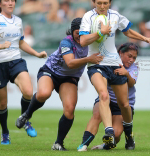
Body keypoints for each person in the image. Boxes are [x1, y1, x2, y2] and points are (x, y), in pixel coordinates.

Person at [78, 0, 150, 150]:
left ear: (110, 3)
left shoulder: (115, 16)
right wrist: (101, 32)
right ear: (93, 2)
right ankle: (108, 130)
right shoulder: (88, 17)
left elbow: (127, 31)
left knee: (124, 105)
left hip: (114, 64)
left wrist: (145, 39)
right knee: (103, 94)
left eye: (105, 3)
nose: (102, 6)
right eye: (99, 3)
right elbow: (83, 41)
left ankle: (129, 136)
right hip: (97, 64)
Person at [15, 18, 104, 151]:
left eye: (83, 33)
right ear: (72, 31)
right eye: (77, 33)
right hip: (51, 71)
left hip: (70, 77)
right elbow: (70, 63)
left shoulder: (92, 43)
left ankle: (58, 143)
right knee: (44, 93)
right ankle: (26, 115)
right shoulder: (66, 41)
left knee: (69, 110)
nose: (80, 36)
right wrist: (89, 59)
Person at [0, 0, 47, 145]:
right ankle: (5, 132)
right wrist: (1, 46)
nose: (10, 3)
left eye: (12, 0)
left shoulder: (18, 20)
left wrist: (36, 54)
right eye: (7, 0)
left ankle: (25, 119)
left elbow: (21, 42)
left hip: (16, 61)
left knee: (29, 92)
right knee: (2, 104)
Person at [78, 42, 139, 151]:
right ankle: (84, 144)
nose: (132, 60)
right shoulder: (109, 63)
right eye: (129, 56)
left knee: (116, 134)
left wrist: (126, 74)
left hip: (122, 106)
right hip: (107, 99)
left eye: (134, 57)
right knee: (96, 115)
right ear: (120, 53)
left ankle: (106, 146)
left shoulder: (134, 68)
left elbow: (131, 83)